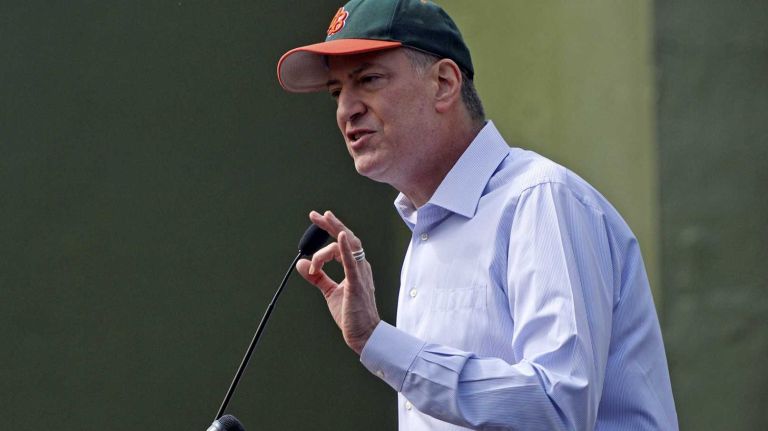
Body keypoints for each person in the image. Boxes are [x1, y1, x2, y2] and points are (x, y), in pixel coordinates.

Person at [277, 1, 678, 429]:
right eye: (337, 92)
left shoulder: (539, 199)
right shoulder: (427, 229)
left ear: (444, 83)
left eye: (369, 80)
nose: (346, 109)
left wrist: (379, 341)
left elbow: (558, 407)